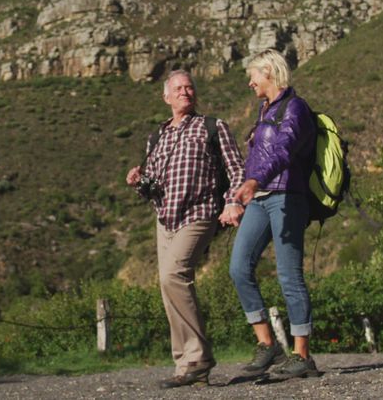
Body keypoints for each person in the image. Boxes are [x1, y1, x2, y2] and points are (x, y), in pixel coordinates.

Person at [126, 69, 245, 388]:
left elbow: (236, 170)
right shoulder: (157, 136)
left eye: (190, 87)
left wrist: (233, 202)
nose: (185, 92)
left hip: (200, 212)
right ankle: (187, 364)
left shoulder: (211, 126)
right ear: (166, 97)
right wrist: (139, 181)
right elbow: (152, 188)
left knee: (172, 276)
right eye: (178, 88)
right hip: (164, 218)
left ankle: (198, 357)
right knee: (169, 288)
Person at [221, 48, 322, 378]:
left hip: (286, 197)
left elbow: (284, 149)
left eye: (254, 75)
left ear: (270, 73)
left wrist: (255, 181)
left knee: (289, 276)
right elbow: (256, 159)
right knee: (239, 268)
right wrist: (238, 196)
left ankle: (302, 355)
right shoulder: (265, 111)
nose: (250, 82)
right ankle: (268, 344)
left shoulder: (295, 108)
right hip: (260, 198)